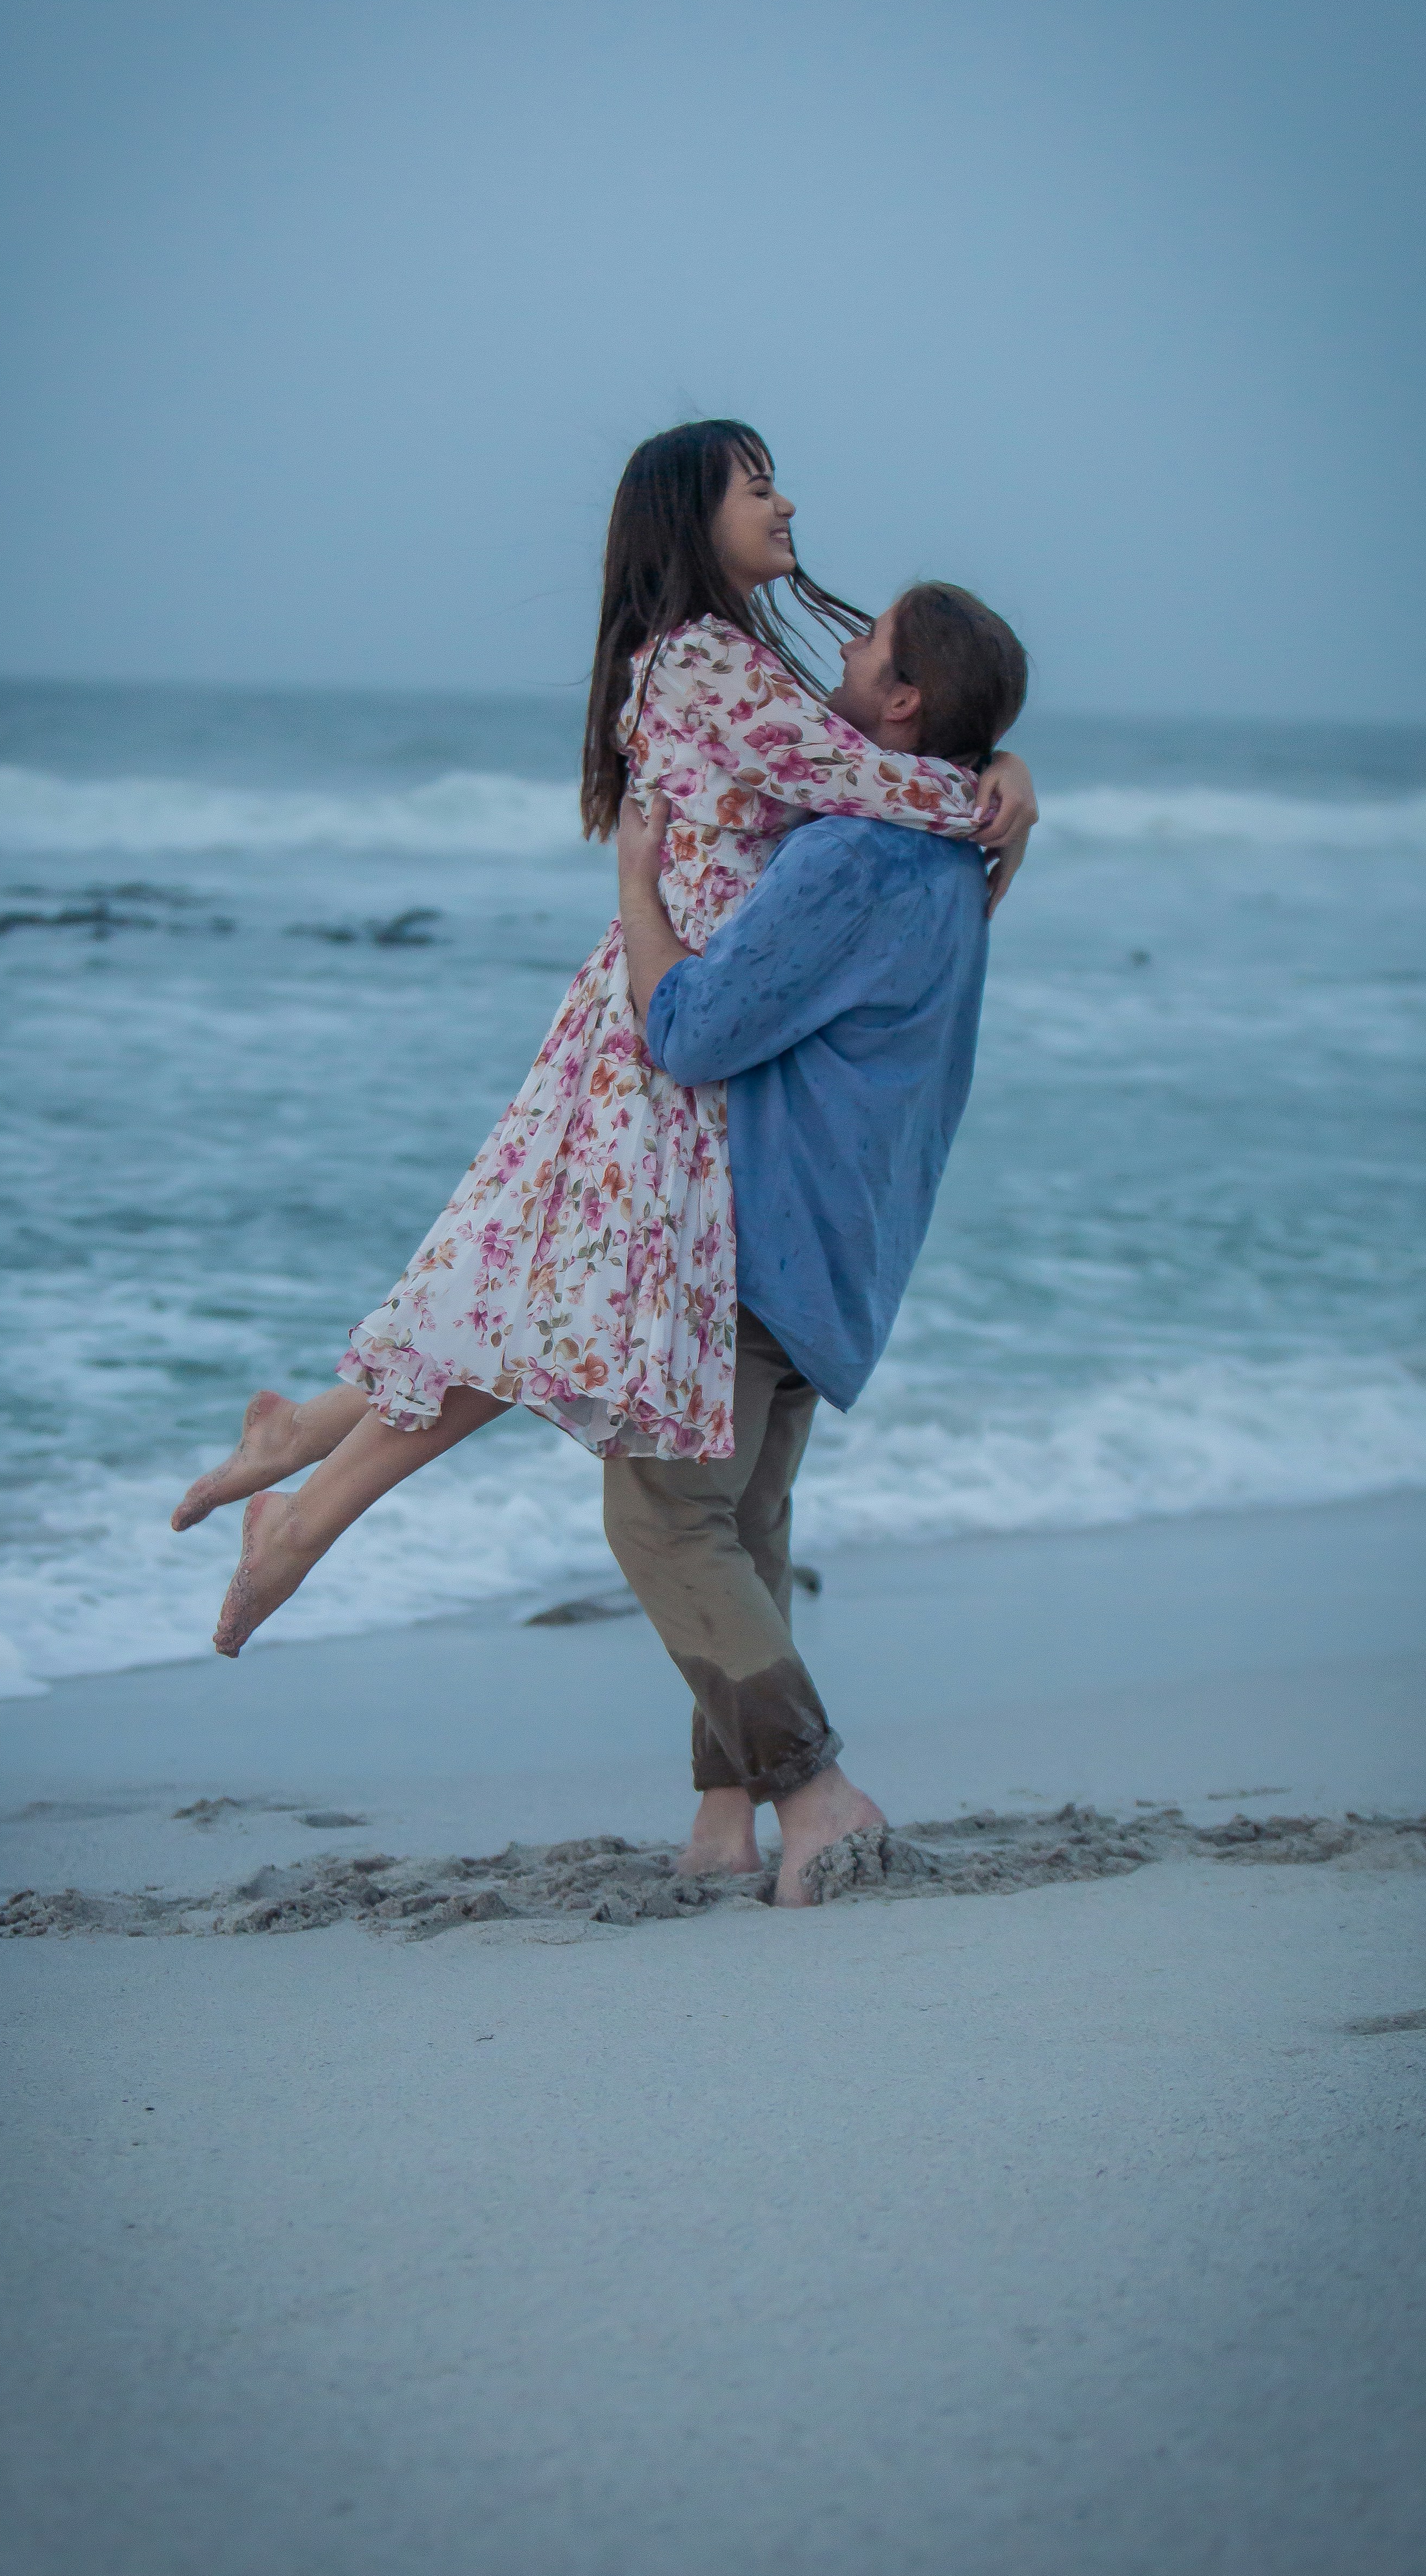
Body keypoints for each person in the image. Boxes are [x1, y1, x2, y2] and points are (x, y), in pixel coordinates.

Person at [172, 419, 1035, 1671]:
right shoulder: (701, 663)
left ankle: (297, 1444)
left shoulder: (722, 658)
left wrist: (1000, 758)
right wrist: (1000, 789)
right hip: (662, 1025)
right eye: (756, 487)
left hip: (669, 1006)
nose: (785, 504)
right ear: (693, 516)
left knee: (533, 1295)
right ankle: (297, 1521)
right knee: (554, 1309)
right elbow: (883, 781)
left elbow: (854, 763)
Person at [605, 580, 1026, 1904]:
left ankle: (813, 1790)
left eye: (865, 643)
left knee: (661, 1513)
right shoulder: (958, 852)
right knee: (745, 1518)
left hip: (766, 1235)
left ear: (900, 701)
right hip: (851, 1245)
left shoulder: (852, 853)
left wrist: (638, 883)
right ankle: (726, 1822)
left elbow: (688, 1030)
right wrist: (1007, 774)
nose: (836, 652)